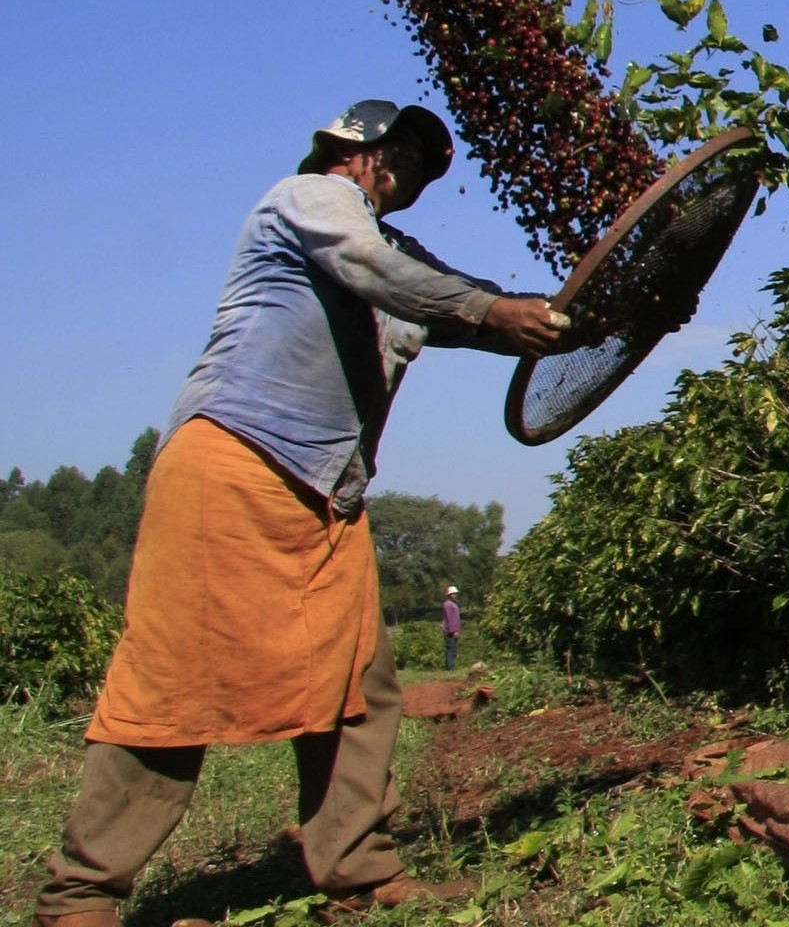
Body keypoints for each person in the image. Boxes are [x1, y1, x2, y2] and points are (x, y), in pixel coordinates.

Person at [35, 100, 566, 926]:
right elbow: (395, 276)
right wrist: (494, 313)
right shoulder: (311, 198)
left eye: (429, 167)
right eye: (406, 154)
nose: (415, 175)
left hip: (330, 494)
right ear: (357, 150)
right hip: (237, 461)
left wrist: (578, 317)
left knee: (360, 685)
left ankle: (358, 870)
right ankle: (82, 895)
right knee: (173, 686)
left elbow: (469, 304)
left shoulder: (398, 253)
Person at [442, 586, 463, 672]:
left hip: (454, 630)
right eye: (453, 594)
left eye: (455, 594)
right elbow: (450, 619)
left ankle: (451, 666)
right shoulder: (448, 604)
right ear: (449, 595)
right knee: (451, 648)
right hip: (450, 631)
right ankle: (450, 667)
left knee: (453, 649)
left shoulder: (454, 604)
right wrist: (454, 631)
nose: (455, 595)